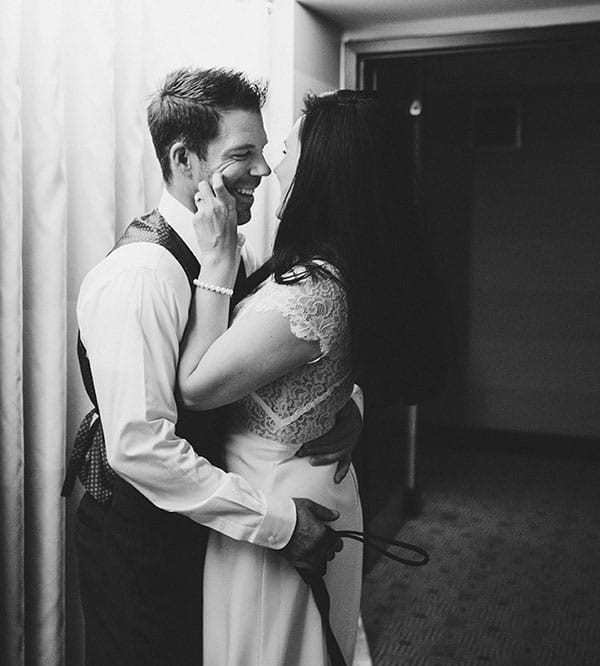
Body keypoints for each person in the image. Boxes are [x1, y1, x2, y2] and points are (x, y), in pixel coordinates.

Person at [66, 68, 363, 666]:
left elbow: (280, 362)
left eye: (263, 150)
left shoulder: (237, 249)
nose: (262, 169)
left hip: (207, 527)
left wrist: (345, 406)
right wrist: (280, 524)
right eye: (242, 154)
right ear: (185, 159)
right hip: (141, 538)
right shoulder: (142, 276)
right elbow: (140, 447)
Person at [177, 89, 435, 665]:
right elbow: (340, 361)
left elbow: (194, 387)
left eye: (286, 148)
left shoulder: (315, 288)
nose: (270, 166)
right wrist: (346, 404)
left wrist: (217, 264)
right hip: (302, 482)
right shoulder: (336, 262)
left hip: (284, 504)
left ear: (323, 167)